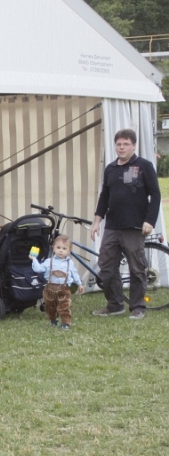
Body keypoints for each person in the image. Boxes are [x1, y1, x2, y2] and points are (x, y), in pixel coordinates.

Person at [90, 128, 161, 320]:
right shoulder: (111, 169)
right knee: (106, 266)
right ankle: (115, 304)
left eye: (126, 144)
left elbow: (155, 194)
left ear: (134, 145)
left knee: (136, 268)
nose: (121, 147)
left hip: (135, 226)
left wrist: (150, 220)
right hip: (112, 225)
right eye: (119, 144)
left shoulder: (144, 166)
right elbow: (104, 196)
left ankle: (138, 307)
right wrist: (97, 221)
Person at [29, 235, 84, 330]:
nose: (61, 251)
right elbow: (38, 269)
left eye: (64, 248)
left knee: (64, 306)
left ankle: (65, 323)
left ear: (69, 251)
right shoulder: (48, 261)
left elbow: (74, 274)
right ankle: (53, 320)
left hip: (64, 289)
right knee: (50, 306)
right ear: (53, 248)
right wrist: (34, 259)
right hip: (50, 288)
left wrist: (80, 284)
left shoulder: (70, 263)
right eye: (58, 248)